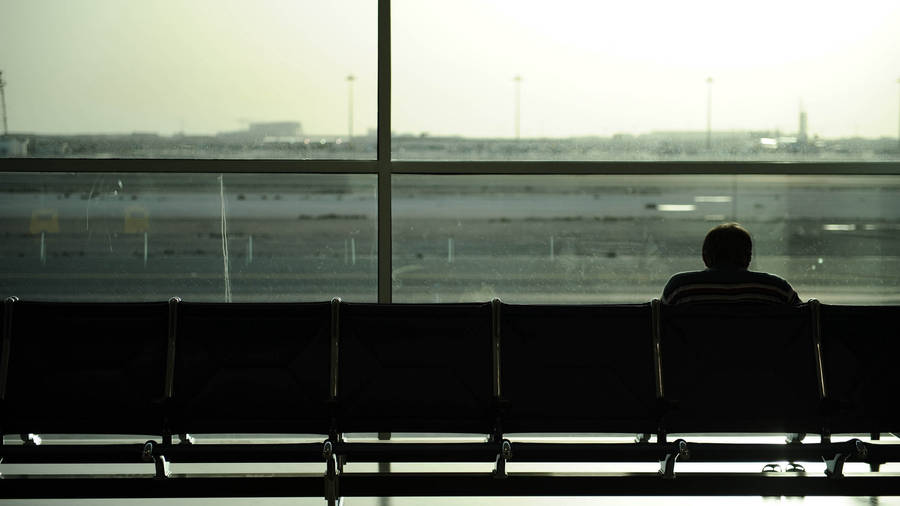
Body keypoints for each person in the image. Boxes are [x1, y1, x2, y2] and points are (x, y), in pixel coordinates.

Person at [662, 222, 800, 306]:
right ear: (748, 257)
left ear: (705, 256)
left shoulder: (680, 288)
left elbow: (657, 325)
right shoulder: (776, 289)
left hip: (693, 354)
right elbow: (805, 321)